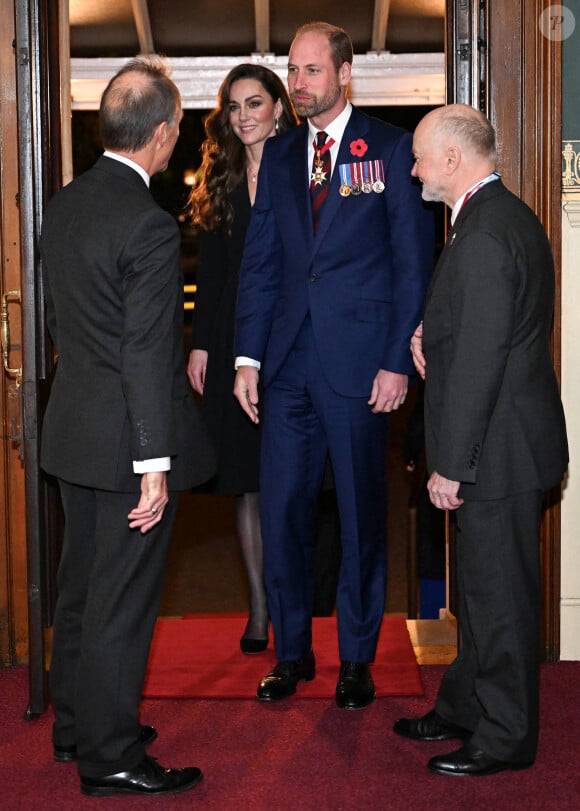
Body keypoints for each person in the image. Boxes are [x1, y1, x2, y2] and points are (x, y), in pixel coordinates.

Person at [233, 22, 434, 709]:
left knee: (359, 516)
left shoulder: (388, 147)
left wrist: (395, 360)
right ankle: (291, 654)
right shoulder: (284, 155)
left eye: (312, 70)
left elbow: (412, 264)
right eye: (293, 70)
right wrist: (247, 356)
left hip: (359, 369)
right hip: (285, 368)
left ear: (344, 73)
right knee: (284, 511)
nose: (298, 84)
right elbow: (261, 265)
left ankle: (356, 658)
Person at [40, 57, 215, 797]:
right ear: (165, 134)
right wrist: (155, 462)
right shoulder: (146, 224)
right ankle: (109, 755)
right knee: (119, 601)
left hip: (73, 431)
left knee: (80, 588)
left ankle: (78, 722)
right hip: (124, 446)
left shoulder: (67, 203)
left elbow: (62, 324)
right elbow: (147, 351)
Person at [393, 104, 568, 776]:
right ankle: (464, 706)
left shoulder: (489, 232)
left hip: (498, 451)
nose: (412, 170)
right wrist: (426, 337)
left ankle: (505, 734)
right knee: (477, 593)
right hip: (502, 445)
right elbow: (474, 332)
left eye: (418, 157)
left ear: (452, 159)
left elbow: (484, 360)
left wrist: (451, 466)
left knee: (499, 600)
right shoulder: (494, 219)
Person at [186, 64, 298, 654]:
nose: (244, 115)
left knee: (290, 479)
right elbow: (213, 271)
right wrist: (203, 344)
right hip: (233, 343)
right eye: (234, 106)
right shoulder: (224, 174)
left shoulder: (307, 165)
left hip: (293, 339)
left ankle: (292, 606)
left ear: (279, 106)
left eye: (255, 103)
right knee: (248, 483)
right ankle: (259, 608)